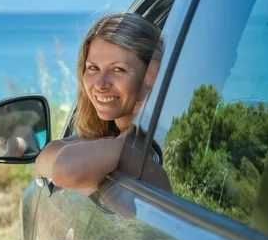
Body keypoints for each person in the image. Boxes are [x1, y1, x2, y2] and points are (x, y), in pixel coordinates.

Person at [34, 12, 171, 194]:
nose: (100, 84)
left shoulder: (156, 144)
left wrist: (126, 138)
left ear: (150, 77)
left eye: (118, 69)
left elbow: (64, 169)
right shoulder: (109, 135)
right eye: (93, 68)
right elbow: (43, 159)